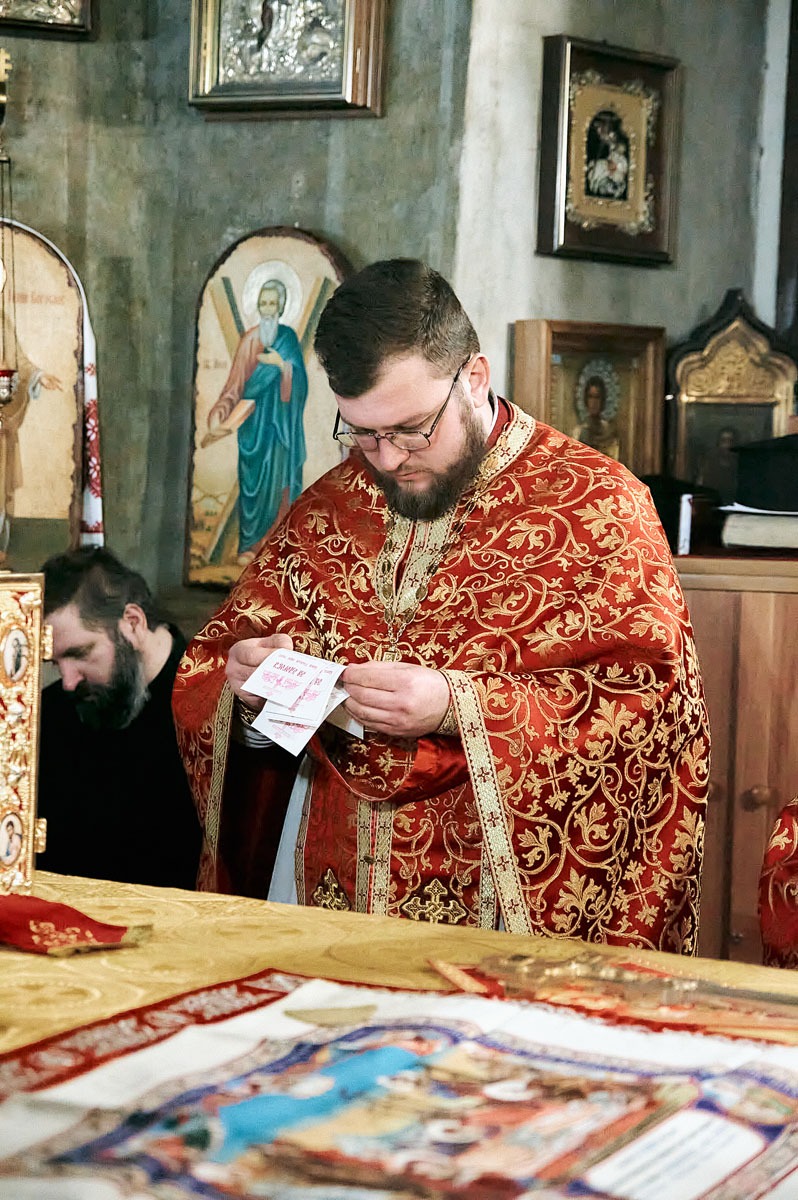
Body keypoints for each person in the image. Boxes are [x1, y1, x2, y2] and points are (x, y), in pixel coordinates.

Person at [174, 259, 709, 953]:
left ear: (474, 377)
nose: (387, 460)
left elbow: (652, 707)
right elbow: (223, 675)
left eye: (411, 429)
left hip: (496, 918)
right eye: (362, 433)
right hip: (324, 902)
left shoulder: (597, 506)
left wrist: (458, 706)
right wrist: (248, 687)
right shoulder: (330, 507)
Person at [37, 546, 201, 888]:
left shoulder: (210, 711)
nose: (68, 682)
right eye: (55, 663)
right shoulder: (50, 713)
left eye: (80, 653)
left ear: (133, 623)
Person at [208, 278, 308, 567]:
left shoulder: (287, 338)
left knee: (278, 486)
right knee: (252, 488)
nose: (267, 309)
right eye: (263, 303)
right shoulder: (249, 340)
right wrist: (218, 416)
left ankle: (276, 547)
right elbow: (234, 386)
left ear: (281, 307)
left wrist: (282, 366)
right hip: (252, 430)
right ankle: (249, 546)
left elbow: (300, 383)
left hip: (279, 430)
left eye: (272, 304)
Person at [572, 375, 620, 459]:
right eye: (590, 397)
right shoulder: (578, 432)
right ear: (586, 400)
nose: (594, 402)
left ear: (603, 400)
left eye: (597, 397)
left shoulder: (610, 432)